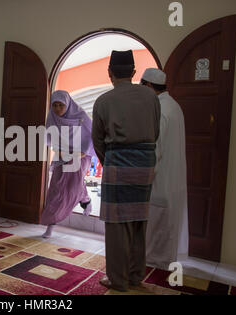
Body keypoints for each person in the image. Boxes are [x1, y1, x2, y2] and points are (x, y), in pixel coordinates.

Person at [91, 50, 160, 292]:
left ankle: (118, 280)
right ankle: (135, 276)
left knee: (118, 225)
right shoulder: (151, 97)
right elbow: (156, 131)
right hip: (145, 164)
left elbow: (98, 141)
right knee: (139, 220)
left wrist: (111, 161)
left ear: (110, 73)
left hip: (118, 164)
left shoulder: (103, 101)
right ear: (133, 73)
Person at [141, 68, 189, 269]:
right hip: (173, 179)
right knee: (166, 225)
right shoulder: (173, 106)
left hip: (161, 179)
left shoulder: (160, 110)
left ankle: (155, 267)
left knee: (158, 228)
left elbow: (155, 150)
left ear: (150, 87)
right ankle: (162, 263)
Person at [41, 90, 96, 238]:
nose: (58, 109)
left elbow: (94, 133)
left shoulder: (81, 115)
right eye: (55, 105)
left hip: (81, 154)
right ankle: (50, 226)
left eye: (61, 105)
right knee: (55, 187)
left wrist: (84, 151)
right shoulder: (52, 117)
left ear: (68, 104)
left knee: (74, 184)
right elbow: (49, 135)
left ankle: (85, 200)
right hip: (63, 154)